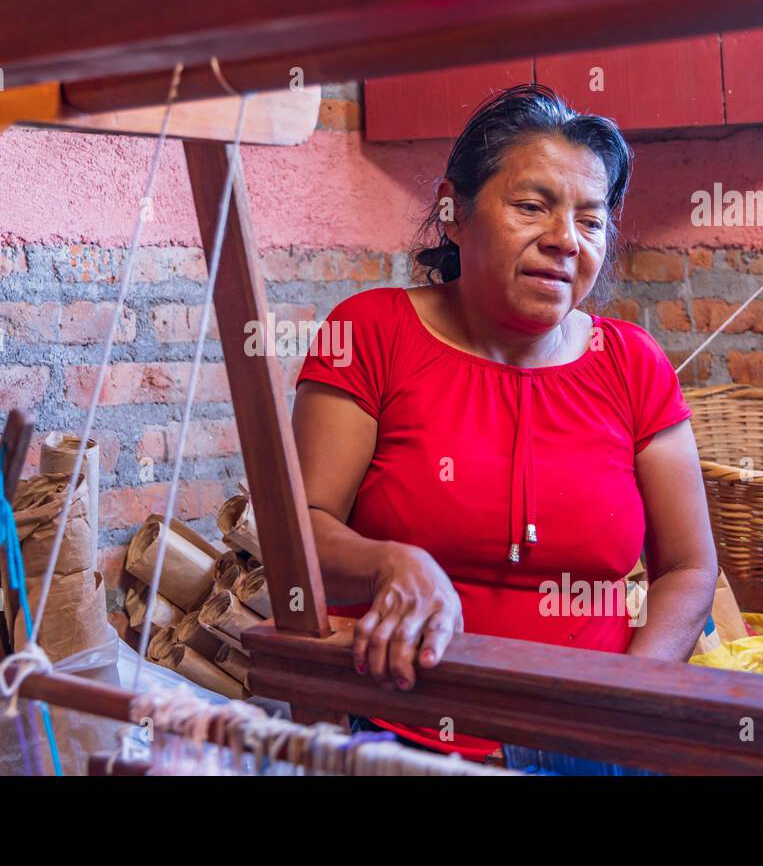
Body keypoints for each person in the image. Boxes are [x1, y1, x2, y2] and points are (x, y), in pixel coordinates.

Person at [292, 83, 718, 771]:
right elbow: (299, 527)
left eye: (590, 220)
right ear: (453, 211)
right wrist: (391, 561)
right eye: (531, 206)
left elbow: (691, 567)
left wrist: (630, 699)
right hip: (402, 727)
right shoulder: (371, 333)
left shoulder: (633, 364)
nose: (563, 241)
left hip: (592, 738)